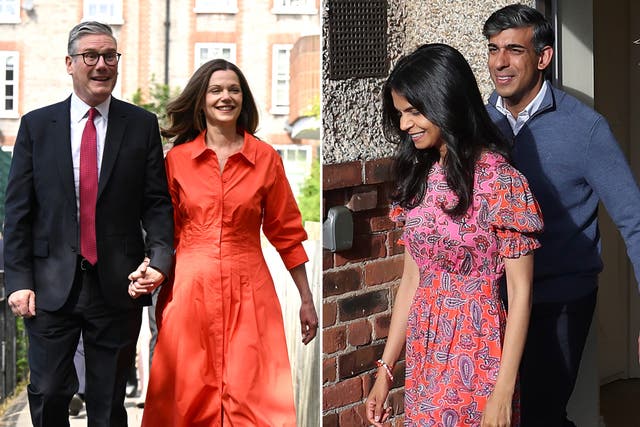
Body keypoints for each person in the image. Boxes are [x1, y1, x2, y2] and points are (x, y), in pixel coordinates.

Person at [2, 21, 174, 426]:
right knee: (47, 394)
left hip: (119, 284)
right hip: (48, 287)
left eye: (110, 56)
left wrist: (160, 263)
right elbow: (18, 211)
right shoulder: (37, 126)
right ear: (69, 63)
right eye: (91, 56)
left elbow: (157, 206)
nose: (102, 65)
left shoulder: (141, 125)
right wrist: (19, 280)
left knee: (109, 402)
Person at [365, 43, 543, 426]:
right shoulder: (420, 179)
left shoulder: (501, 181)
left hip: (478, 349)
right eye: (399, 114)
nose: (404, 125)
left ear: (446, 102)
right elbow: (412, 279)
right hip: (425, 349)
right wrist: (386, 370)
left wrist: (503, 390)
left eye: (414, 111)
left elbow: (521, 292)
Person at [482, 4, 640, 426]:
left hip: (560, 299)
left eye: (514, 49)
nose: (500, 61)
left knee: (541, 415)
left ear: (544, 56)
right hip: (492, 300)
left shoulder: (586, 129)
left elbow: (634, 221)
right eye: (494, 49)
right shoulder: (478, 124)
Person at [140, 58, 318, 426]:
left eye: (233, 89)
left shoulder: (266, 159)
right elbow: (163, 233)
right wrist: (151, 267)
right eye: (216, 90)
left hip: (250, 292)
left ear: (244, 98)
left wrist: (306, 298)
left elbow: (287, 232)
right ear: (201, 100)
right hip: (189, 292)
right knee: (187, 399)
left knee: (254, 398)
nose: (226, 97)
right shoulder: (177, 161)